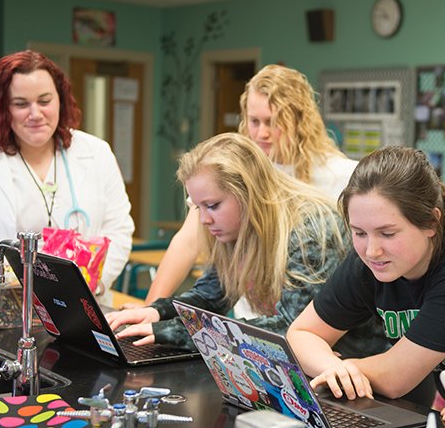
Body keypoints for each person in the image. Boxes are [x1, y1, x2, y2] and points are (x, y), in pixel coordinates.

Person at [286, 145, 445, 406]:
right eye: (359, 233)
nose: (371, 251)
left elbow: (395, 378)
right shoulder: (372, 260)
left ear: (432, 222)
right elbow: (300, 333)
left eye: (388, 234)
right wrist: (332, 367)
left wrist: (341, 370)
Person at [105, 133, 385, 358]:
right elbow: (212, 295)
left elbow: (291, 327)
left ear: (248, 192)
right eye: (197, 206)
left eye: (213, 205)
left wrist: (179, 332)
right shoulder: (234, 230)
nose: (203, 219)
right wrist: (159, 310)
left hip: (358, 366)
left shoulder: (310, 228)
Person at [132, 64, 356, 308]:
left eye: (273, 122)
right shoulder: (237, 171)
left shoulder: (343, 175)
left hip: (314, 313)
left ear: (300, 119)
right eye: (254, 121)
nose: (262, 133)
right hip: (251, 315)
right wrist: (150, 309)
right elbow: (187, 243)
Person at [0, 50, 134, 307]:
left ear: (61, 100)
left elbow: (119, 230)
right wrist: (25, 284)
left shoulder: (95, 152)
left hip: (77, 305)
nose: (35, 114)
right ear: (1, 107)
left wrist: (92, 281)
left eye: (45, 100)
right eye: (21, 104)